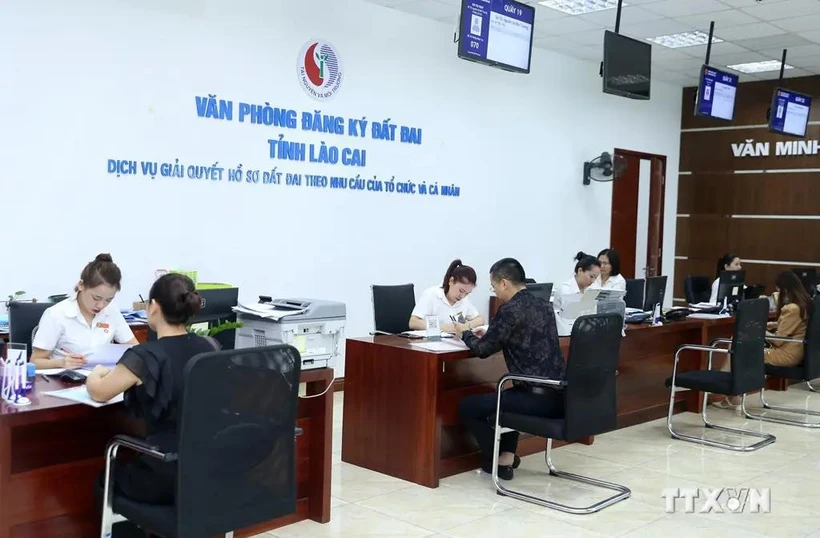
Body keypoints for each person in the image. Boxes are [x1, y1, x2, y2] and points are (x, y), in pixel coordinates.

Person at [86, 273, 218, 509]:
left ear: (154, 307)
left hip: (164, 471)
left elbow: (99, 392)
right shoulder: (209, 346)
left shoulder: (146, 356)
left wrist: (95, 373)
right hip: (208, 470)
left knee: (103, 479)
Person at [454, 258, 564, 481]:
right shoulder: (544, 306)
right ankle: (506, 458)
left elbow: (483, 349)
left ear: (504, 283)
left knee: (468, 406)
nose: (495, 292)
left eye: (494, 287)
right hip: (559, 395)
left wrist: (463, 332)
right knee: (508, 396)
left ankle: (494, 459)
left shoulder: (509, 310)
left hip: (534, 399)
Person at [31, 253, 139, 369]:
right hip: (65, 380)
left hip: (102, 380)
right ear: (81, 285)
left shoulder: (112, 312)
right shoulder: (56, 314)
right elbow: (35, 362)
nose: (101, 305)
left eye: (108, 300)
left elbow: (137, 350)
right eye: (96, 298)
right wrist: (62, 363)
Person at [409, 259, 485, 333]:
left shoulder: (463, 300)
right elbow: (413, 322)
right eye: (461, 291)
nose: (462, 296)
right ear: (451, 281)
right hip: (430, 343)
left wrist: (466, 326)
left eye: (467, 293)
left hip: (454, 342)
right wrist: (442, 327)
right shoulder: (431, 294)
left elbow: (480, 319)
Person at [765, 271, 811, 367]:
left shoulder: (792, 309)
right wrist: (774, 324)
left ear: (785, 290)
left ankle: (728, 377)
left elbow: (778, 341)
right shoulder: (805, 303)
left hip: (787, 355)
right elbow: (796, 325)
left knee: (741, 350)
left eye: (778, 289)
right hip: (799, 352)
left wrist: (759, 330)